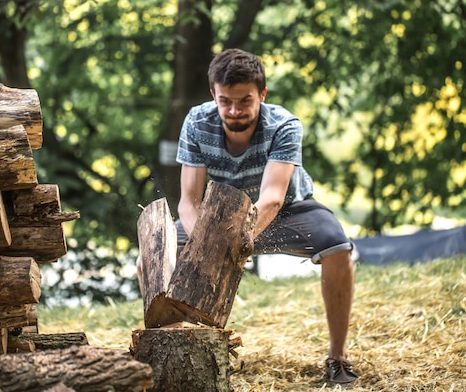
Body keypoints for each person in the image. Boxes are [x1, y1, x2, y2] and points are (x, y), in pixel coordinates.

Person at [139, 48, 358, 384]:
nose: (234, 110)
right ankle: (177, 357)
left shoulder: (284, 125)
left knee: (338, 248)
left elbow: (272, 198)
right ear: (213, 94)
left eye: (245, 101)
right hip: (219, 219)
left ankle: (338, 358)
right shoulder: (197, 122)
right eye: (225, 100)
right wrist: (207, 250)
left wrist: (230, 249)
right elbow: (188, 203)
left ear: (262, 94)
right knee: (149, 261)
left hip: (285, 212)